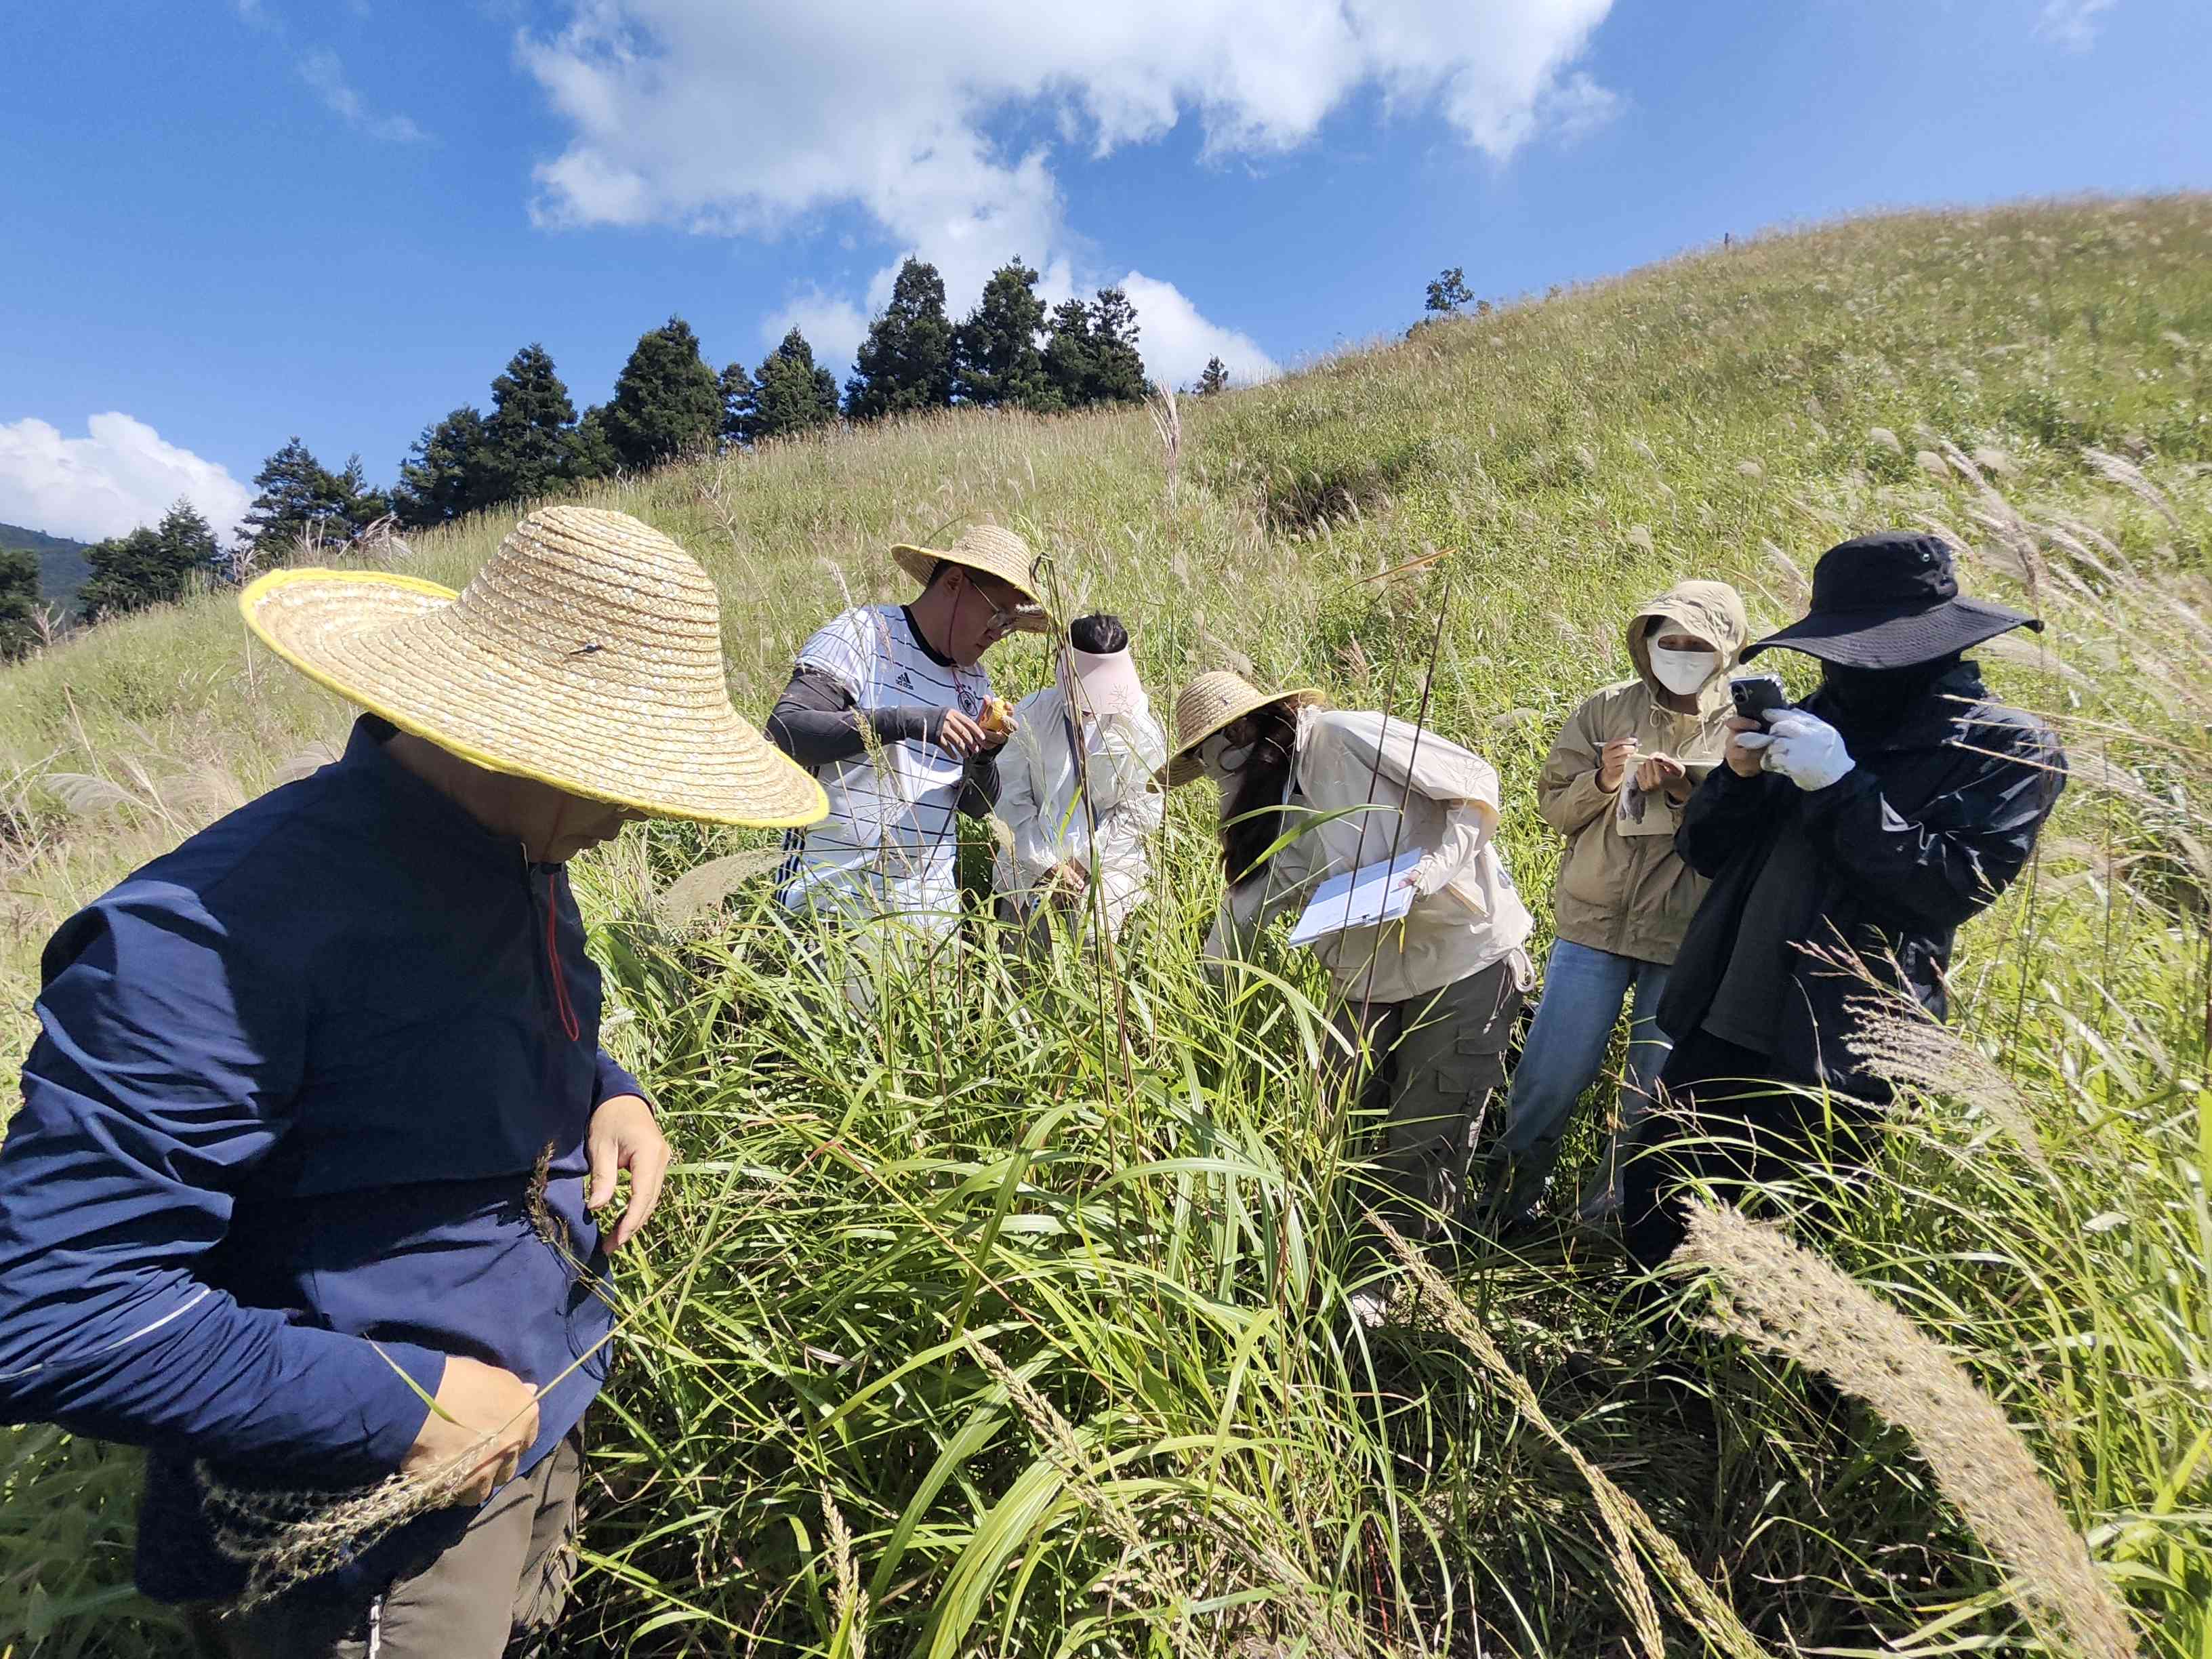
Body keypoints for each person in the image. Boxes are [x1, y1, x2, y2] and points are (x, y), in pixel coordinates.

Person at [0, 506, 825, 1658]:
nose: (641, 806)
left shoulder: (522, 846)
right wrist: (409, 1404)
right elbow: (46, 1309)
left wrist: (607, 1086)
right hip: (365, 1521)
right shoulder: (206, 939)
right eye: (627, 773)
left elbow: (535, 1010)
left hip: (532, 1412)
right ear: (520, 740)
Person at [1620, 531, 2066, 1269]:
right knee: (1661, 1200)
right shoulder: (1815, 717)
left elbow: (1950, 888)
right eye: (1838, 649)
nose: (1845, 669)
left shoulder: (2005, 749)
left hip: (1847, 1044)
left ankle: (1795, 1384)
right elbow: (1703, 852)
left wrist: (1844, 787)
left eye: (1868, 650)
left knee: (1809, 1241)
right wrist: (1738, 775)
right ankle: (1653, 1372)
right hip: (1724, 1014)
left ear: (1930, 646)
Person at [1160, 672, 1533, 1325]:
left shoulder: (1345, 737)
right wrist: (1196, 1003)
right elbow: (1245, 907)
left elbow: (1476, 787)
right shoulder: (1262, 803)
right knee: (1336, 1116)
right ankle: (1326, 1260)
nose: (1214, 774)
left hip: (1462, 955)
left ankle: (1391, 1290)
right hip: (1364, 975)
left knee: (1429, 1122)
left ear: (1244, 731)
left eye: (1211, 753)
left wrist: (1432, 871)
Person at [1492, 580, 1749, 1227]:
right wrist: (1605, 779)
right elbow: (1553, 805)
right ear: (1648, 642)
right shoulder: (1607, 708)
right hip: (1592, 925)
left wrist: (1694, 794)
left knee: (1650, 1092)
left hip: (1685, 935)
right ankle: (1503, 1208)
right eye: (1671, 641)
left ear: (1727, 648)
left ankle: (1607, 1222)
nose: (1683, 653)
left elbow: (1753, 834)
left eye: (1698, 643)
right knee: (1550, 1078)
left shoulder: (1742, 725)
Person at [766, 525, 1048, 944]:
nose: (998, 632)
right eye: (997, 614)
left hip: (930, 917)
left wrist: (985, 756)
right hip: (835, 905)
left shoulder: (974, 683)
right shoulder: (865, 634)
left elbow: (974, 805)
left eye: (1009, 625)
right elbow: (787, 730)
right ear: (954, 583)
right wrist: (908, 723)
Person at [991, 613, 1167, 945]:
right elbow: (1011, 795)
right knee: (1023, 948)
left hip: (1109, 860)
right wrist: (1046, 863)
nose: (1090, 708)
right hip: (1033, 855)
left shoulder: (1138, 729)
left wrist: (1085, 861)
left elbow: (1141, 810)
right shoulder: (1034, 713)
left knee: (1093, 938)